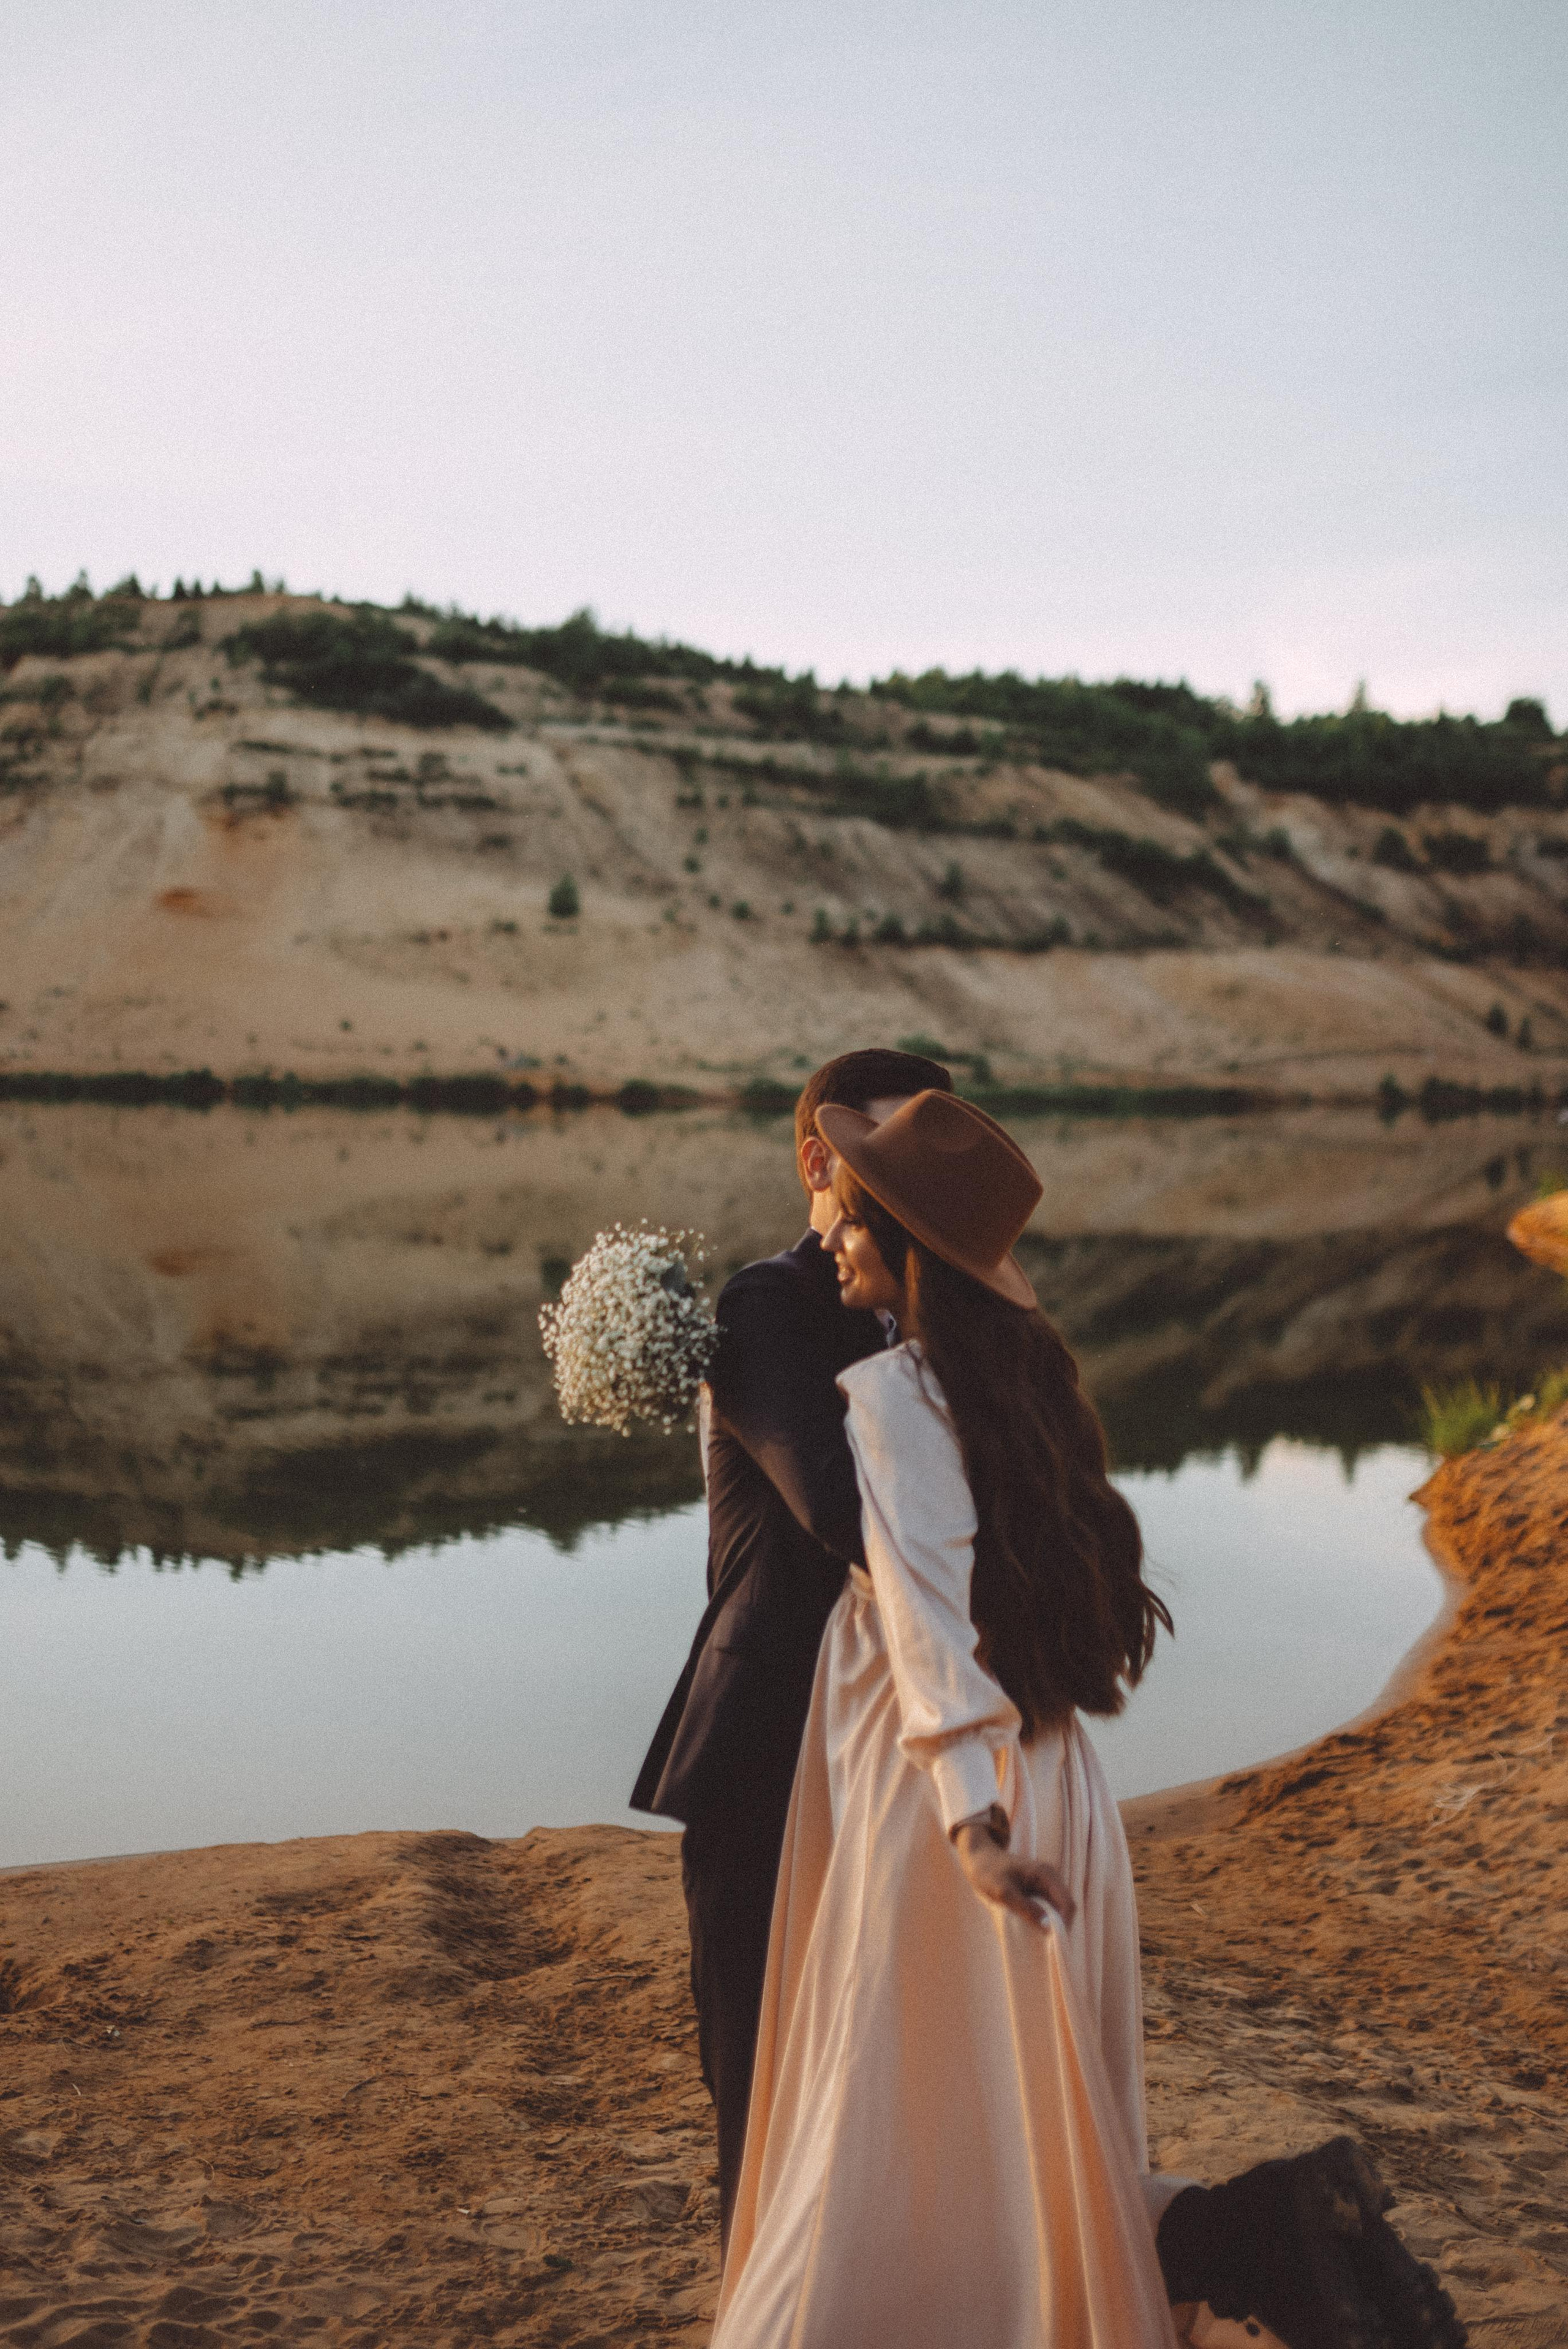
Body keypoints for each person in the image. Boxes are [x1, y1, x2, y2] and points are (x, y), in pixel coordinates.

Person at [710, 1089, 1468, 2349]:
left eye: (849, 1214)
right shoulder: (1025, 1382)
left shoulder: (893, 1397)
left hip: (953, 1813)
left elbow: (925, 1621)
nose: (827, 1233)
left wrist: (966, 1825)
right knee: (1028, 2132)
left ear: (901, 1243)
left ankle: (1251, 2236)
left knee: (900, 2132)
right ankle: (1266, 2236)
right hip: (1063, 1788)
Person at [630, 1046, 956, 2246]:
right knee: (760, 2086)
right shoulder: (768, 1305)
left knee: (881, 2079)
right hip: (766, 1740)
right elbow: (831, 1506)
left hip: (889, 1744)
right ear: (818, 1158)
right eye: (875, 1152)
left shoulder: (933, 1304)